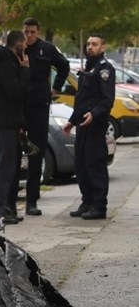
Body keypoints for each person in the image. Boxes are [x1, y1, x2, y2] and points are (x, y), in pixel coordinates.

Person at [22, 17, 70, 216]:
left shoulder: (47, 49)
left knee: (36, 154)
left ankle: (31, 201)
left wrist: (56, 88)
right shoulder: (18, 49)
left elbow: (64, 66)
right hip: (19, 107)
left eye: (32, 32)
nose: (29, 35)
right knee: (13, 156)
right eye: (26, 32)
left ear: (38, 32)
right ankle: (6, 203)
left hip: (39, 107)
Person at [63, 34, 115, 220]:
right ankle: (88, 201)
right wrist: (71, 120)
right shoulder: (88, 69)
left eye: (95, 44)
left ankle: (99, 206)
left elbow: (107, 99)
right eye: (89, 44)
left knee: (95, 164)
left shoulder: (104, 69)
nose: (90, 47)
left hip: (96, 124)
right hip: (83, 124)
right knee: (81, 165)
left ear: (102, 48)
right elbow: (82, 100)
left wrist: (94, 114)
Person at [0, 30, 30, 225]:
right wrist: (25, 69)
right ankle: (0, 211)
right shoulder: (5, 63)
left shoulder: (9, 62)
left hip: (10, 122)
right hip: (4, 123)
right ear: (18, 45)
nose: (27, 48)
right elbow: (15, 91)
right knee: (4, 168)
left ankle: (6, 209)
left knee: (10, 168)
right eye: (25, 45)